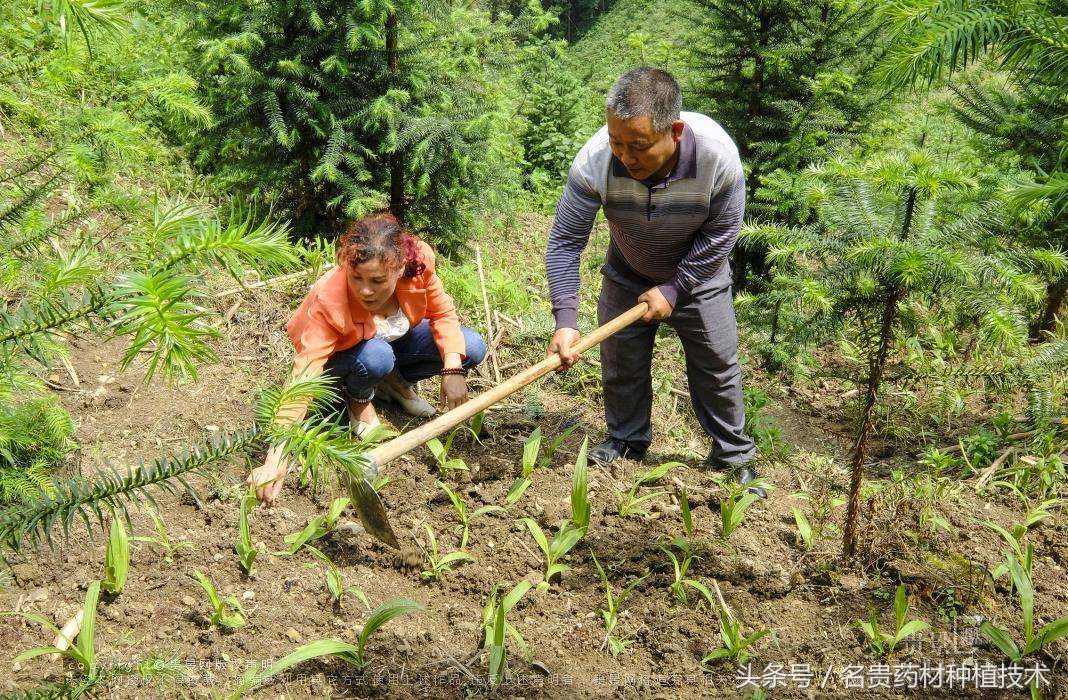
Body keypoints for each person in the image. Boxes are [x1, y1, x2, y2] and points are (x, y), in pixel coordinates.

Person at [544, 67, 764, 497]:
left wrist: (676, 288)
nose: (625, 155)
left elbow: (722, 235)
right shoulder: (594, 161)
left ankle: (733, 456)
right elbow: (566, 241)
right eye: (617, 141)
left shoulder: (717, 157)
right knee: (621, 361)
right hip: (628, 268)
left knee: (717, 366)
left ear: (675, 132)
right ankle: (627, 441)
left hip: (700, 274)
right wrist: (566, 319)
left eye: (638, 145)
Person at [248, 212, 487, 504]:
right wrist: (276, 457)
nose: (364, 289)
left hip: (393, 343)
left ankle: (391, 383)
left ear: (399, 269)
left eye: (377, 280)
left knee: (471, 347)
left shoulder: (419, 262)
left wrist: (452, 369)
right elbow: (305, 373)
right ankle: (358, 398)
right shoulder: (331, 299)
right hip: (342, 357)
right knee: (375, 356)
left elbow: (442, 313)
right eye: (356, 277)